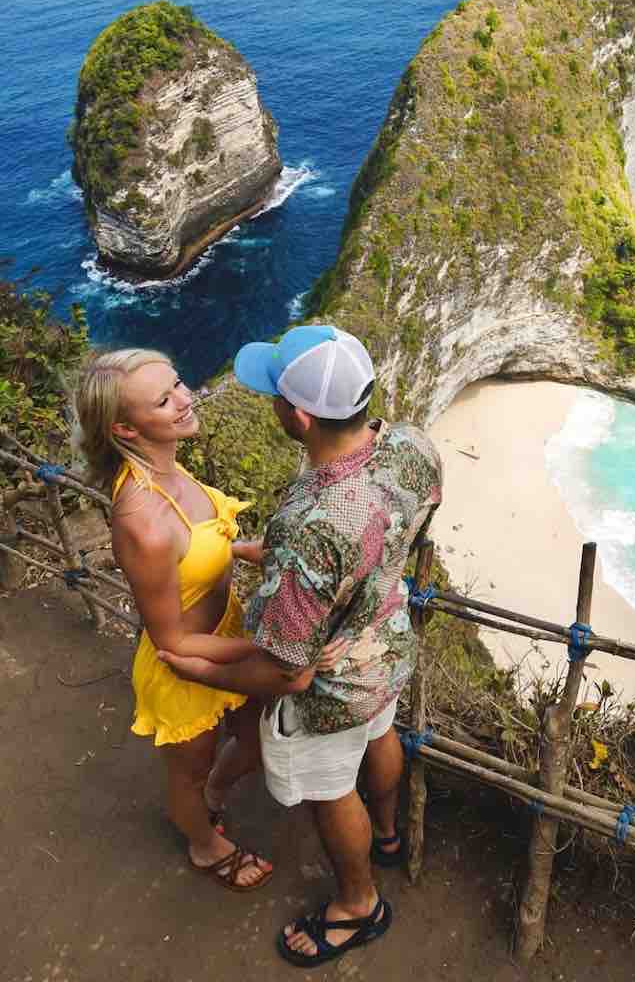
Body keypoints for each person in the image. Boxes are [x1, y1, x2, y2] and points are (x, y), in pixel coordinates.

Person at [159, 325, 442, 967]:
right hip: (387, 643)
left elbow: (287, 672)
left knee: (329, 792)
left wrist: (198, 664)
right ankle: (390, 835)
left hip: (333, 688)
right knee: (379, 736)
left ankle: (357, 904)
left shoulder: (311, 524)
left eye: (276, 397)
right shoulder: (410, 445)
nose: (271, 405)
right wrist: (293, 563)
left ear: (302, 415)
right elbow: (406, 519)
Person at [72, 349, 342, 892]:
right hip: (187, 665)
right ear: (125, 427)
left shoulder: (167, 464)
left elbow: (197, 547)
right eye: (164, 399)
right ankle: (203, 844)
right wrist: (265, 652)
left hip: (229, 637)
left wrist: (248, 551)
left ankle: (215, 798)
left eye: (178, 383)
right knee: (187, 775)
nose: (185, 398)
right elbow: (171, 640)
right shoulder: (143, 519)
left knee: (251, 739)